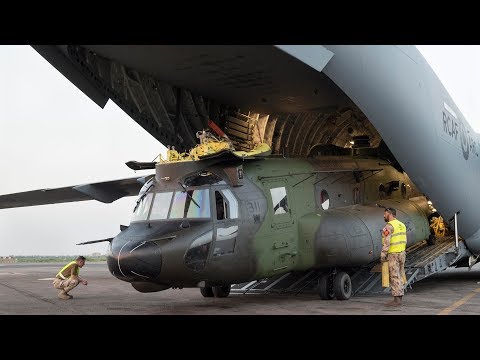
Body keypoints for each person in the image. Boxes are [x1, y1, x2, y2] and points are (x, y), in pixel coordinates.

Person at [381, 207, 407, 306]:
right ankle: (399, 297)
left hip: (393, 254)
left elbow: (387, 242)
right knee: (400, 274)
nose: (384, 216)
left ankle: (397, 300)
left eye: (385, 214)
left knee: (394, 276)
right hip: (402, 253)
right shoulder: (402, 225)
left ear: (390, 214)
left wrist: (383, 254)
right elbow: (404, 240)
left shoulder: (389, 226)